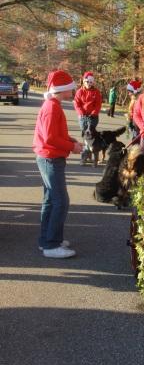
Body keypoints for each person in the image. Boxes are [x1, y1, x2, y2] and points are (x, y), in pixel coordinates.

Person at [33, 70, 83, 258]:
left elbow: (54, 134)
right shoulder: (52, 107)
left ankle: (47, 239)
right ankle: (51, 245)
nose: (73, 91)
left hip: (48, 157)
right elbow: (51, 138)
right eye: (71, 88)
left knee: (50, 201)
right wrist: (72, 146)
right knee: (60, 201)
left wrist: (71, 140)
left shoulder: (52, 105)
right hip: (50, 158)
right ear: (63, 90)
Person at [73, 71, 102, 163]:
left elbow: (98, 104)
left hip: (93, 117)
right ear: (84, 82)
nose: (89, 84)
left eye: (91, 82)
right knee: (85, 136)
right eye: (87, 82)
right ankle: (85, 155)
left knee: (91, 136)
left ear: (93, 83)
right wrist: (81, 113)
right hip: (83, 117)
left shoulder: (96, 92)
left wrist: (94, 113)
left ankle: (90, 153)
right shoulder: (79, 92)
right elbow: (77, 104)